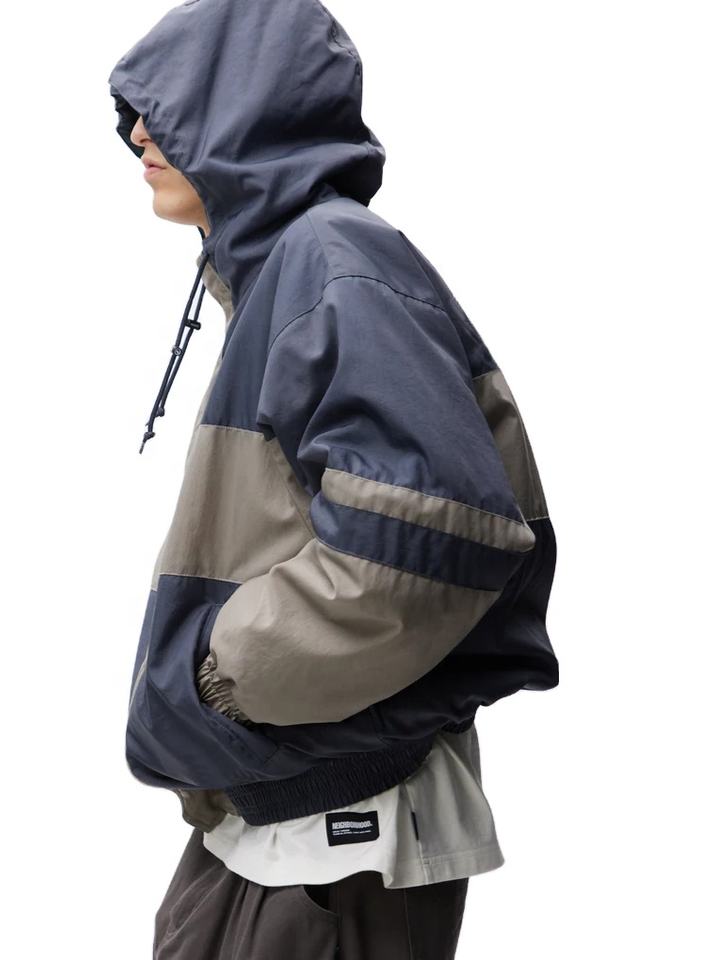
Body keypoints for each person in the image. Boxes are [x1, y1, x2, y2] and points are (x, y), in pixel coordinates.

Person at [107, 1, 559, 957]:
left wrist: (219, 679)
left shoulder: (333, 262)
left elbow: (426, 542)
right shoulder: (295, 268)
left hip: (338, 840)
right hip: (284, 825)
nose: (139, 132)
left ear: (251, 111)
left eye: (171, 102)